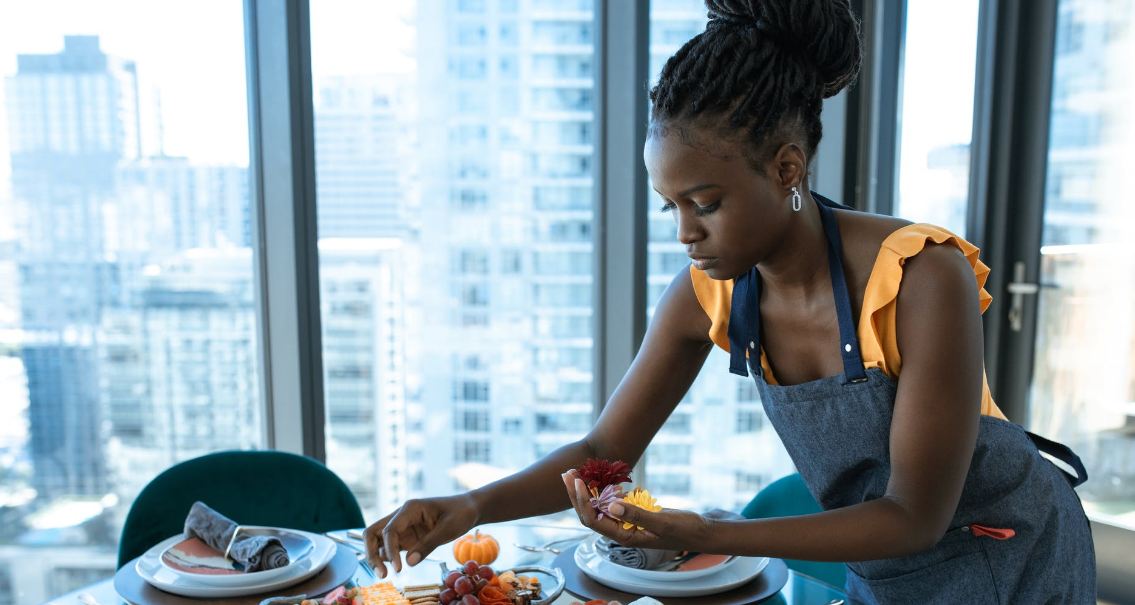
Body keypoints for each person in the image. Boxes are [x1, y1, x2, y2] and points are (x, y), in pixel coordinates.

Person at [365, 0, 1096, 601]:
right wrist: (471, 506)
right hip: (887, 566)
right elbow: (601, 450)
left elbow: (912, 514)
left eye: (705, 203)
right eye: (669, 207)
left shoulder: (918, 276)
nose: (685, 232)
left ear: (786, 168)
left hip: (1008, 553)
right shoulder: (709, 294)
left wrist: (706, 533)